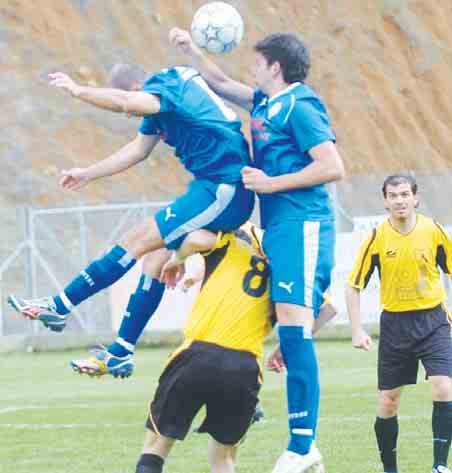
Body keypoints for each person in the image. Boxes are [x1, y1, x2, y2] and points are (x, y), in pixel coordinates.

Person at [170, 28, 345, 472]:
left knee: (295, 327)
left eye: (257, 60)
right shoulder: (267, 102)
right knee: (290, 328)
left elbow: (332, 166)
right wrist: (192, 52)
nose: (251, 66)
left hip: (303, 224)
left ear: (275, 66)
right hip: (281, 226)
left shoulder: (301, 105)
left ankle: (303, 446)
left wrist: (271, 184)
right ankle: (305, 450)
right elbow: (223, 85)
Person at [8, 63, 254, 377]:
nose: (129, 116)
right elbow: (137, 150)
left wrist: (78, 90)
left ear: (136, 89)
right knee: (153, 259)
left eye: (131, 107)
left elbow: (128, 104)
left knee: (137, 239)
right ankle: (121, 351)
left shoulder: (164, 88)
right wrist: (88, 173)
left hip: (225, 187)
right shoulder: (167, 93)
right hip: (213, 184)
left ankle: (60, 305)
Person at [346, 174, 452, 473]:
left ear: (415, 198)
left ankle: (440, 466)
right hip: (395, 324)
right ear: (385, 201)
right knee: (388, 402)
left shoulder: (432, 231)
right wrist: (357, 329)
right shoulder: (377, 238)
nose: (400, 200)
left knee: (444, 387)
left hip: (433, 320)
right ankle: (390, 469)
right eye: (393, 195)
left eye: (405, 194)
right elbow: (353, 285)